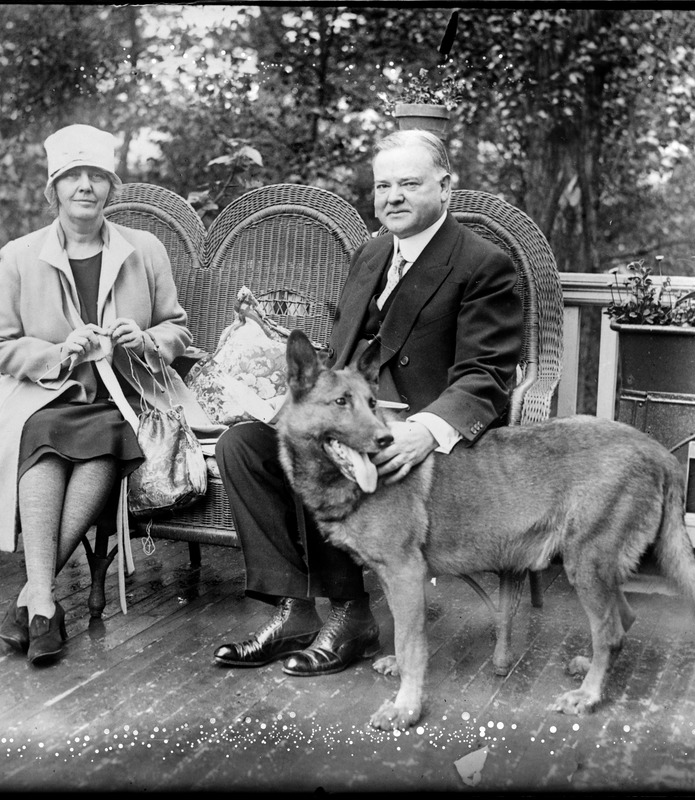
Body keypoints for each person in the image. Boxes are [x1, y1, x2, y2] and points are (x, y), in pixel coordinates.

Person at [212, 129, 523, 677]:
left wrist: (427, 429)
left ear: (445, 187)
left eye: (409, 183)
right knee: (245, 447)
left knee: (340, 464)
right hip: (350, 419)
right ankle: (297, 608)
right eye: (384, 185)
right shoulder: (372, 253)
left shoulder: (482, 265)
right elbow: (340, 356)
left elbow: (486, 375)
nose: (393, 197)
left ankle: (353, 615)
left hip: (417, 440)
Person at [0, 124, 222, 666]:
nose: (84, 186)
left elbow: (178, 329)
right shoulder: (20, 255)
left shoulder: (145, 250)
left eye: (96, 177)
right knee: (42, 432)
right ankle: (42, 600)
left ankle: (35, 601)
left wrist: (148, 338)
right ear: (54, 188)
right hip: (44, 395)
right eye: (72, 176)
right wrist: (59, 352)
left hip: (125, 398)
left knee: (109, 434)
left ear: (111, 187)